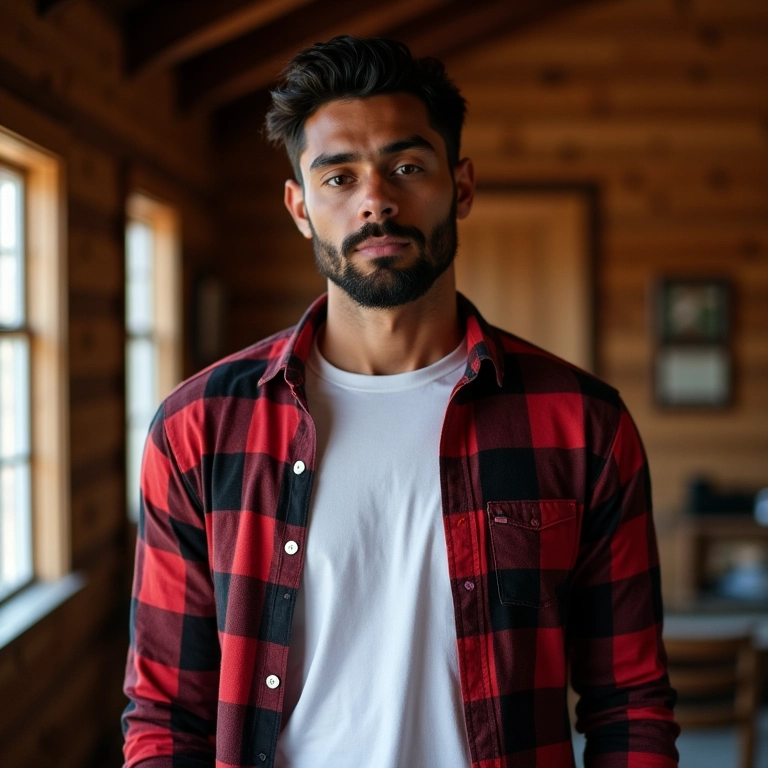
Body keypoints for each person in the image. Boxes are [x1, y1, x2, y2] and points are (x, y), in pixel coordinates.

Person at [123, 35, 679, 768]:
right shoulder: (199, 429)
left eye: (407, 167)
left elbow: (631, 706)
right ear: (299, 207)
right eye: (338, 178)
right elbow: (165, 714)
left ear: (462, 186)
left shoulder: (583, 426)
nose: (376, 200)